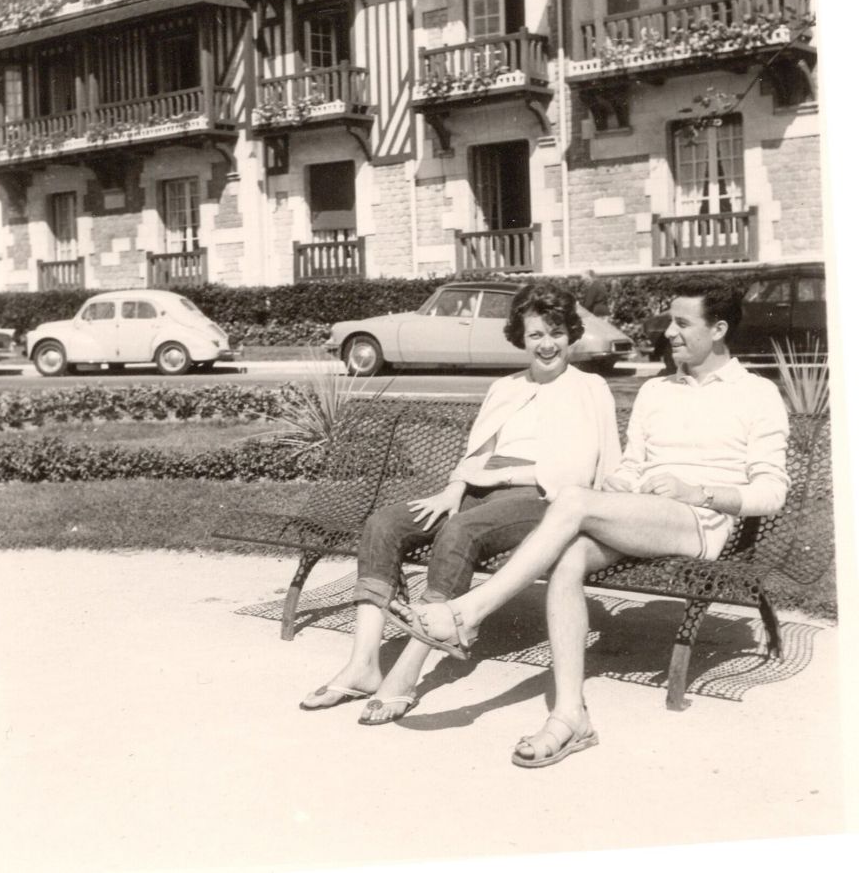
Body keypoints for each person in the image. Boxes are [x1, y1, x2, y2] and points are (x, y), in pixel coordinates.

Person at [386, 276, 789, 766]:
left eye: (683, 324)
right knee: (569, 557)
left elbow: (772, 492)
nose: (669, 333)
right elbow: (632, 466)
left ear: (718, 329)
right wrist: (617, 486)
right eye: (671, 322)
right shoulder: (657, 390)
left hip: (700, 522)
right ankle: (570, 715)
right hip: (640, 514)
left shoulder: (756, 394)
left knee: (574, 500)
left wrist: (698, 492)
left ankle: (466, 612)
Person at [300, 283, 621, 724]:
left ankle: (407, 672)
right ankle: (364, 665)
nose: (547, 344)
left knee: (460, 531)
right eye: (535, 335)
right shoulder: (506, 387)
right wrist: (454, 488)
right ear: (521, 338)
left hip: (543, 497)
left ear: (572, 334)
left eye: (557, 333)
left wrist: (498, 476)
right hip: (478, 490)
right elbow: (476, 454)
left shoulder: (589, 387)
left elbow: (579, 472)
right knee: (385, 524)